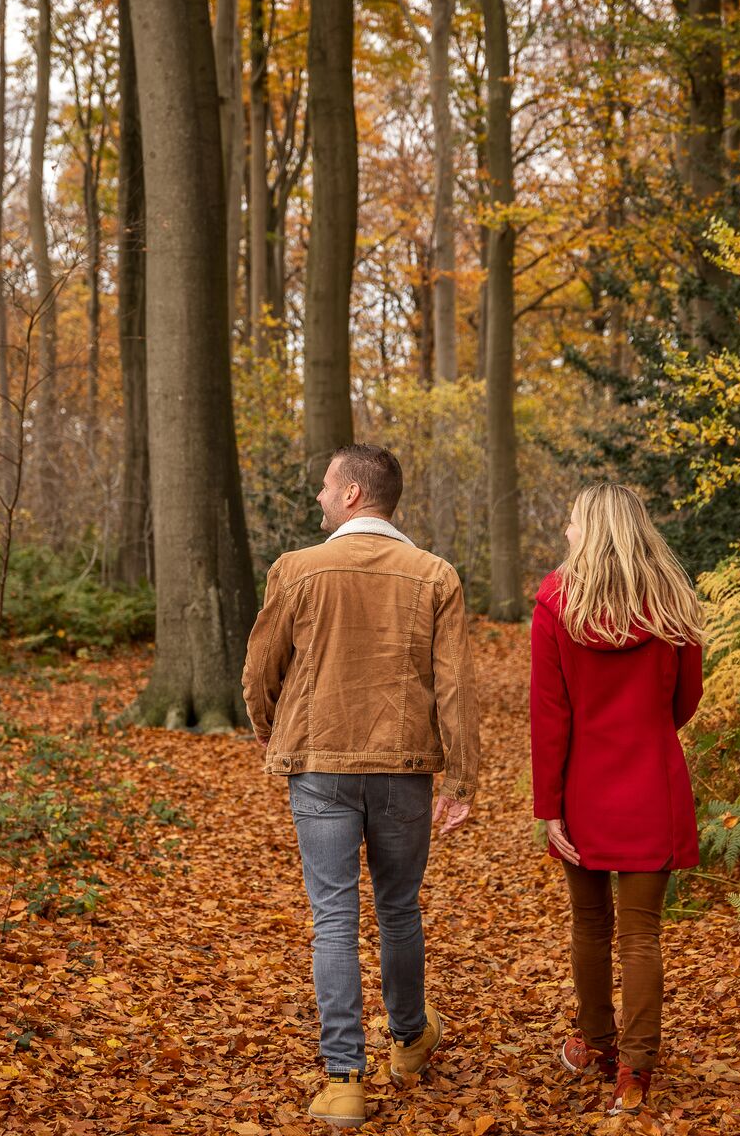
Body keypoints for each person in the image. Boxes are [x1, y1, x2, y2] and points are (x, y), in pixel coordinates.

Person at [243, 444, 480, 1130]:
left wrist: (267, 726)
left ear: (351, 494)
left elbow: (261, 666)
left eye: (324, 487)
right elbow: (456, 687)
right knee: (399, 908)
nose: (318, 497)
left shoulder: (297, 570)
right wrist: (460, 777)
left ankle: (345, 1079)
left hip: (319, 764)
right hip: (404, 769)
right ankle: (408, 1040)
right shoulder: (434, 575)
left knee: (335, 920)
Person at [530, 483, 706, 1117]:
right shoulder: (674, 603)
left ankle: (598, 1042)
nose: (567, 531)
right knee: (641, 934)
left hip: (583, 785)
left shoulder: (557, 601)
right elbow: (686, 700)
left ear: (595, 530)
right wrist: (649, 734)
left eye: (573, 521)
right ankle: (635, 1069)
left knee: (589, 924)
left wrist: (548, 804)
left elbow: (549, 714)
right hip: (652, 782)